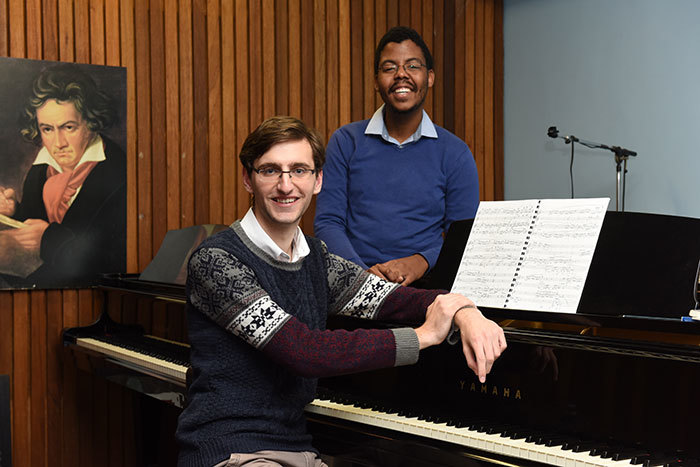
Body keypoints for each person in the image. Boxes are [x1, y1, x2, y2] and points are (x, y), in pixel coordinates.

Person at [175, 116, 506, 467]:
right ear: (248, 179)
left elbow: (394, 300)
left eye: (299, 170)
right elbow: (304, 352)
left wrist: (463, 309)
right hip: (233, 451)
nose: (286, 185)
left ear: (318, 180)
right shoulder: (217, 260)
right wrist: (422, 337)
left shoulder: (316, 259)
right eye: (270, 170)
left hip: (300, 450)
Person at [314, 26, 479, 286]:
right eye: (390, 68)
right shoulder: (346, 141)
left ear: (430, 77)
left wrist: (420, 261)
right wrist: (362, 278)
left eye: (413, 66)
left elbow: (464, 237)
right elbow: (328, 223)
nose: (401, 74)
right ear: (376, 80)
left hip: (426, 285)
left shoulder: (455, 153)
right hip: (352, 281)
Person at [0, 64, 126, 288]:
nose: (58, 144)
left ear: (91, 122)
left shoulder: (118, 172)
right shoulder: (40, 170)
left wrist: (47, 239)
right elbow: (32, 222)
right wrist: (14, 212)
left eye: (68, 127)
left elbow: (113, 261)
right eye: (47, 129)